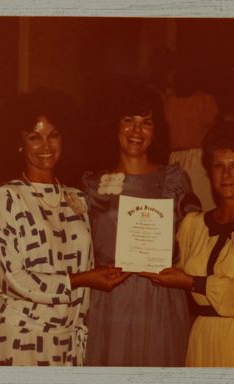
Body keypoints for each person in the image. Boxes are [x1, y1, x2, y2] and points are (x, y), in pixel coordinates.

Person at [0, 88, 129, 366]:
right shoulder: (5, 196)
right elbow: (12, 278)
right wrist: (82, 280)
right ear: (19, 142)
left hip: (69, 341)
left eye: (54, 135)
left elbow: (92, 257)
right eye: (34, 137)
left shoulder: (76, 197)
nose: (46, 146)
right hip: (22, 338)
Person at [141, 121, 234, 367]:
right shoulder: (192, 225)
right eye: (218, 165)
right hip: (204, 338)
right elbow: (167, 271)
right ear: (209, 170)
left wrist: (192, 282)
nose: (226, 174)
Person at [82, 81, 201, 367]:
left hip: (160, 298)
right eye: (128, 121)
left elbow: (195, 241)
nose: (137, 131)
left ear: (156, 130)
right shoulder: (91, 185)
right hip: (111, 301)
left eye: (146, 123)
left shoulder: (174, 181)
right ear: (114, 125)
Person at [164, 66, 219, 212]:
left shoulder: (205, 101)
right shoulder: (168, 102)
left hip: (198, 158)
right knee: (176, 206)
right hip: (174, 160)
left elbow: (214, 132)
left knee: (203, 203)